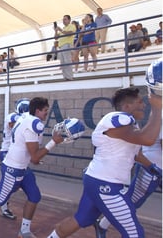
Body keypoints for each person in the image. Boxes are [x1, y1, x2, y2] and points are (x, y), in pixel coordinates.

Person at [47, 87, 162, 238]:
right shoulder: (117, 119)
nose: (144, 105)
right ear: (127, 106)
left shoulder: (127, 124)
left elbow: (135, 153)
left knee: (80, 219)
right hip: (106, 184)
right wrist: (157, 109)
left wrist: (151, 167)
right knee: (135, 233)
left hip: (97, 180)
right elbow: (147, 139)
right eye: (140, 102)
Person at [0, 97, 64, 238]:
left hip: (22, 167)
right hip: (13, 169)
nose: (46, 113)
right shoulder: (34, 123)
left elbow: (29, 152)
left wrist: (34, 156)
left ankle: (24, 231)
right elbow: (35, 157)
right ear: (37, 111)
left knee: (34, 196)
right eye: (45, 110)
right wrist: (53, 142)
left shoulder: (25, 117)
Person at [94, 130, 162, 237]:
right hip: (153, 167)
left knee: (131, 202)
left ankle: (103, 225)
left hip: (155, 166)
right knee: (132, 202)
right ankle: (103, 225)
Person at [0, 112, 20, 220]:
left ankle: (3, 203)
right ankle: (3, 205)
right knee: (9, 183)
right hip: (7, 152)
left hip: (13, 153)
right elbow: (13, 123)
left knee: (13, 183)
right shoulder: (13, 117)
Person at [54, 15, 76, 80]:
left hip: (67, 45)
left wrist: (61, 30)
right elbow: (55, 38)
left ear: (69, 20)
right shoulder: (63, 28)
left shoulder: (72, 26)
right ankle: (65, 77)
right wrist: (56, 31)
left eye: (65, 19)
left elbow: (70, 33)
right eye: (63, 19)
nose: (64, 21)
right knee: (63, 63)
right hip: (61, 47)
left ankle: (70, 77)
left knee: (67, 61)